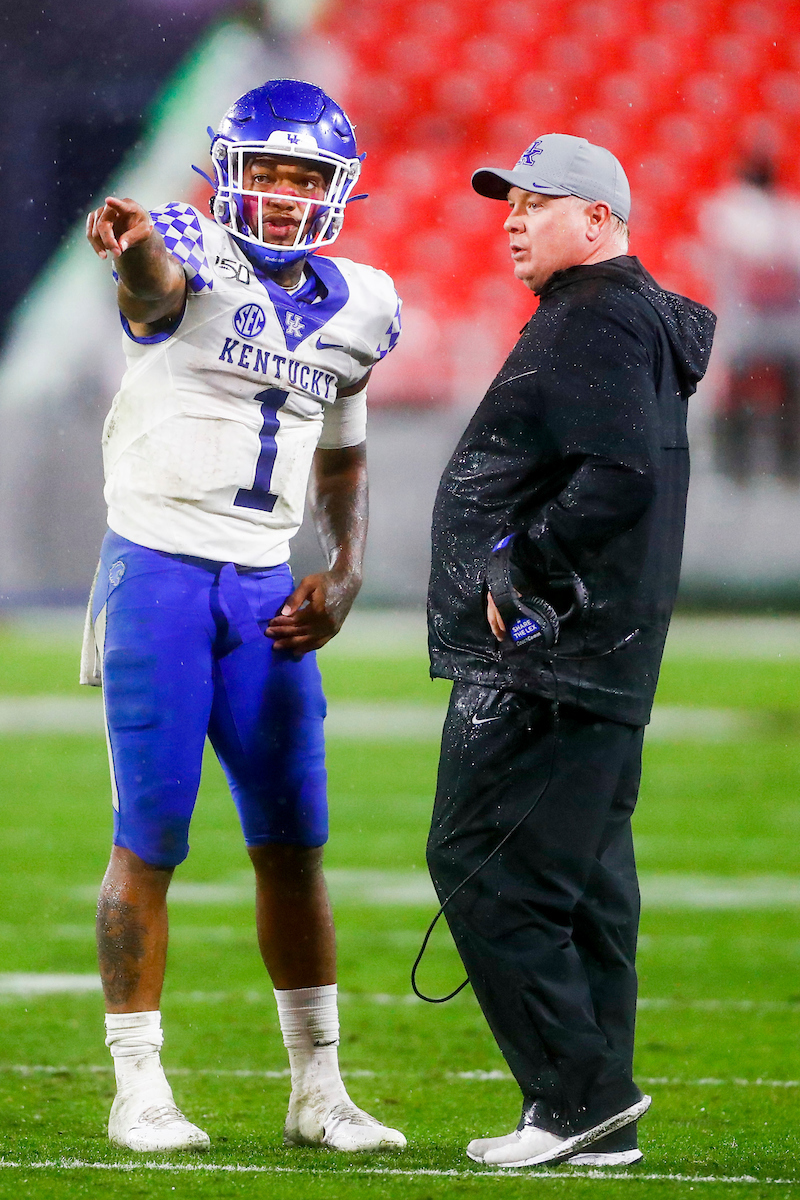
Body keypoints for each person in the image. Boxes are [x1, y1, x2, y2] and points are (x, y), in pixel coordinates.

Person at [83, 78, 405, 1156]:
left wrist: (347, 571)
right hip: (163, 572)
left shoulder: (362, 299)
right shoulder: (182, 240)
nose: (277, 191)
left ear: (334, 189)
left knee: (293, 844)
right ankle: (138, 1086)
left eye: (300, 174)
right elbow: (152, 289)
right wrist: (130, 241)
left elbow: (343, 445)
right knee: (151, 837)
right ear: (226, 171)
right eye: (261, 169)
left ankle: (319, 1088)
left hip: (267, 590)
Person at [425, 134, 715, 1168]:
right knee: (586, 883)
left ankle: (573, 1096)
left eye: (534, 202)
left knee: (482, 868)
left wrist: (518, 563)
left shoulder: (592, 314)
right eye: (506, 202)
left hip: (551, 658)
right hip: (598, 651)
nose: (508, 218)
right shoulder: (618, 313)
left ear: (596, 221)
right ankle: (598, 1119)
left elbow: (617, 476)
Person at [698, 156, 800, 484]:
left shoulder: (787, 209)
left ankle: (788, 460)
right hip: (742, 317)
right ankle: (733, 462)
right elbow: (759, 251)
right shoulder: (729, 208)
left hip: (783, 318)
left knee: (791, 384)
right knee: (731, 386)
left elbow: (771, 253)